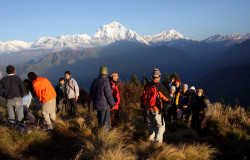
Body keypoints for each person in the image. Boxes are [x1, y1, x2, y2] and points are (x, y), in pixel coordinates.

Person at [142, 68, 169, 143]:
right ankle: (157, 141)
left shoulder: (148, 85)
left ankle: (150, 140)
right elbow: (167, 98)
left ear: (152, 76)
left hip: (147, 108)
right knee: (160, 125)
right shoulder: (159, 86)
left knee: (150, 124)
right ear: (159, 76)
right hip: (156, 109)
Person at [0, 65, 26, 132]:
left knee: (10, 115)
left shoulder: (3, 80)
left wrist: (4, 95)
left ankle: (12, 129)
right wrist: (22, 96)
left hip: (8, 99)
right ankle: (21, 129)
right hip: (18, 98)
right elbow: (22, 88)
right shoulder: (17, 78)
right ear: (14, 71)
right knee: (20, 115)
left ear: (6, 71)